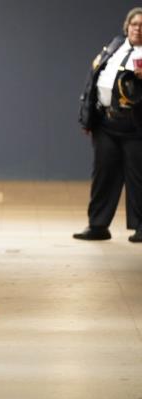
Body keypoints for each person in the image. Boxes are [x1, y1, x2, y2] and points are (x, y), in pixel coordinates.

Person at [74, 7, 142, 243]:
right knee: (103, 175)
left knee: (138, 176)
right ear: (127, 26)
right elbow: (93, 79)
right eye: (134, 24)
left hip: (135, 125)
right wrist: (88, 118)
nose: (138, 29)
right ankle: (98, 225)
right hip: (105, 122)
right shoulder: (115, 45)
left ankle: (141, 227)